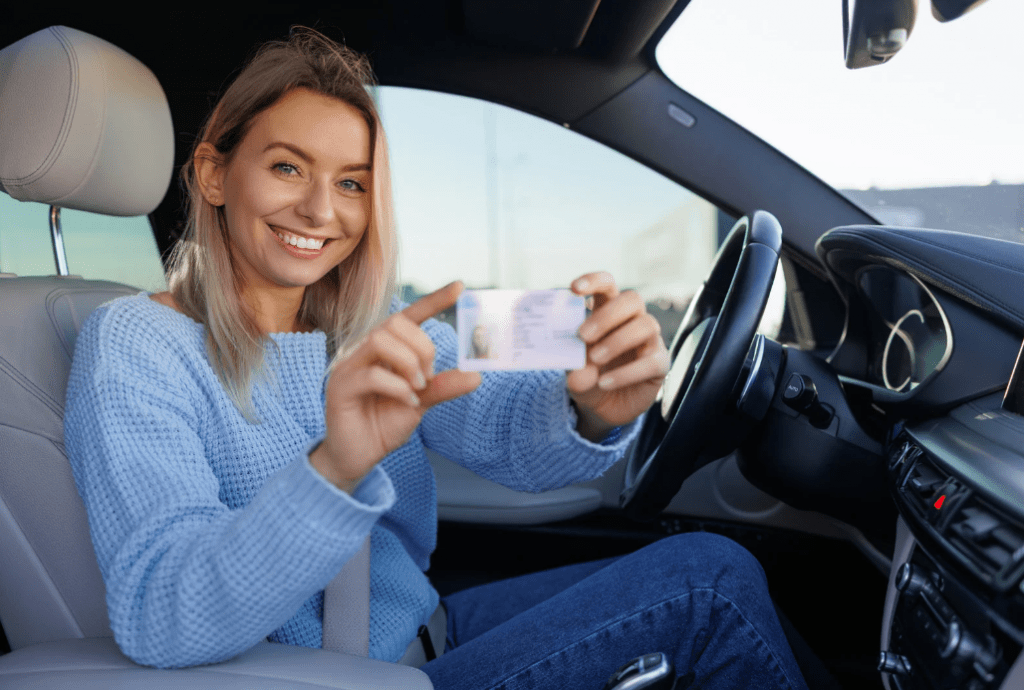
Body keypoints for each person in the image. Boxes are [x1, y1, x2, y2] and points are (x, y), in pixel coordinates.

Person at [64, 28, 808, 690]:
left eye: (352, 182)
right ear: (214, 174)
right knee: (708, 582)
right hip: (324, 675)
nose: (322, 211)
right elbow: (162, 615)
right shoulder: (135, 341)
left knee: (720, 571)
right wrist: (334, 467)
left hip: (427, 632)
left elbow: (500, 426)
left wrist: (589, 408)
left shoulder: (373, 324)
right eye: (289, 168)